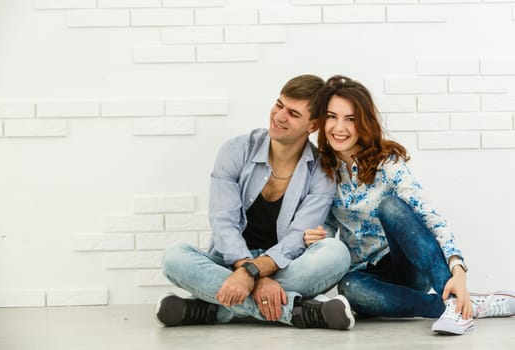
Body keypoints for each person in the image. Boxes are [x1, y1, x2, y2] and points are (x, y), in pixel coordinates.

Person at [303, 75, 515, 335]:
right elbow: (328, 222)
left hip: (408, 266)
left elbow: (427, 215)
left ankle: (453, 299)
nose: (339, 127)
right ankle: (456, 306)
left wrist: (458, 268)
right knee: (348, 288)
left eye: (350, 119)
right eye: (332, 116)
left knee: (390, 206)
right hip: (368, 279)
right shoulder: (323, 169)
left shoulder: (387, 161)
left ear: (363, 122)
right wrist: (318, 235)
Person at [155, 74, 354, 330]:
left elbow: (296, 238)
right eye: (279, 105)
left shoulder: (322, 171)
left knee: (336, 254)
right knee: (174, 257)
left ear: (312, 125)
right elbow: (223, 223)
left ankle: (212, 309)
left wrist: (252, 274)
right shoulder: (235, 150)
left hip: (286, 265)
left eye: (293, 113)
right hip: (229, 263)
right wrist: (252, 274)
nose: (279, 116)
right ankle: (297, 312)